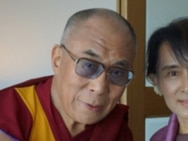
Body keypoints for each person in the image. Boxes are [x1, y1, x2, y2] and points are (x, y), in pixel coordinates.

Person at [0, 8, 136, 141]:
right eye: (88, 65)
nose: (99, 87)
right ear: (57, 59)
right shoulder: (11, 110)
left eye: (117, 72)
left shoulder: (116, 130)